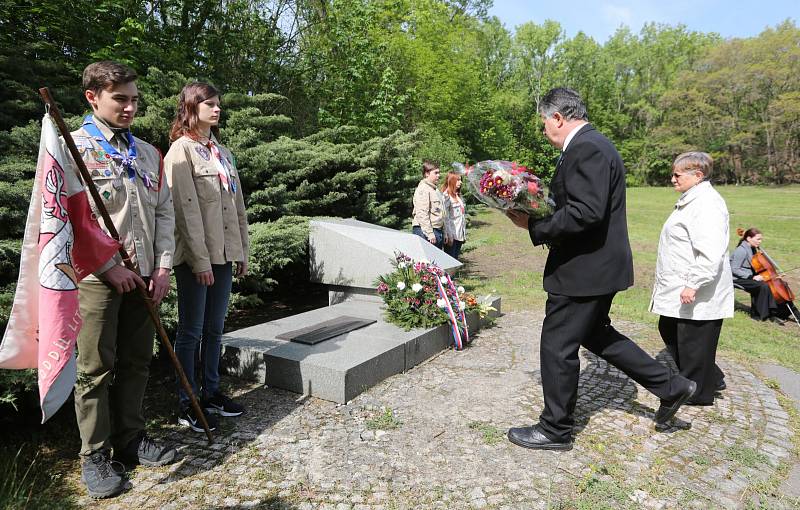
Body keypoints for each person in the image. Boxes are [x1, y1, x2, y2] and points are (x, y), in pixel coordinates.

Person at [505, 87, 697, 451]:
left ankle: (555, 429)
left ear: (558, 118)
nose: (544, 130)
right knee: (596, 335)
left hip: (584, 270)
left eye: (545, 123)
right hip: (597, 267)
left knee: (557, 345)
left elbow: (585, 213)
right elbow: (580, 204)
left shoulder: (587, 147)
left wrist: (534, 226)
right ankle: (671, 387)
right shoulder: (592, 145)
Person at [69, 61, 176, 498]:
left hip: (145, 274)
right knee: (95, 368)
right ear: (93, 97)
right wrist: (105, 266)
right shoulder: (72, 148)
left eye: (134, 99)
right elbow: (67, 220)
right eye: (121, 99)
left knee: (137, 362)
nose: (130, 107)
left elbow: (164, 211)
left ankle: (130, 439)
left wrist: (164, 265)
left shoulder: (149, 153)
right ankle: (93, 454)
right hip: (98, 279)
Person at [164, 82, 249, 433]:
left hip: (224, 254)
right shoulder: (179, 153)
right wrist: (199, 262)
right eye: (209, 104)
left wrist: (241, 250)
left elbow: (237, 206)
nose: (216, 110)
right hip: (196, 259)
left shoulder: (221, 153)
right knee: (191, 331)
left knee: (215, 329)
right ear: (191, 107)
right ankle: (188, 403)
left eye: (218, 104)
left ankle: (212, 393)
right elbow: (183, 213)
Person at [650, 152, 733, 406]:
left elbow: (711, 250)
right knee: (671, 328)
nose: (672, 179)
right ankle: (712, 376)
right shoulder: (693, 200)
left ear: (698, 176)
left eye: (677, 174)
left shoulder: (706, 204)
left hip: (696, 287)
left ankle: (698, 392)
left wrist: (693, 283)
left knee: (693, 339)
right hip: (680, 283)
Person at [730, 228, 781, 322]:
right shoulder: (741, 250)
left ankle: (774, 312)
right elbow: (734, 269)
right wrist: (752, 277)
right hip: (736, 278)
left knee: (769, 283)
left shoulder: (752, 249)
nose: (760, 242)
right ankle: (759, 314)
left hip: (748, 276)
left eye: (761, 239)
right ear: (749, 238)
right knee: (762, 286)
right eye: (758, 239)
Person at [412, 161, 444, 249]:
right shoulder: (423, 189)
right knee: (428, 262)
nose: (438, 175)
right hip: (425, 232)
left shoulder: (433, 190)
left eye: (439, 173)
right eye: (436, 173)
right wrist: (429, 233)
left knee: (436, 262)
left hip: (436, 230)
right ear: (427, 173)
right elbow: (422, 213)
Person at [441, 171, 467, 260]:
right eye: (458, 180)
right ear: (451, 180)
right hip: (452, 236)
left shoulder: (458, 195)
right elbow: (445, 217)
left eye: (461, 180)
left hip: (459, 235)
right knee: (450, 262)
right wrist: (449, 235)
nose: (461, 182)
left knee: (455, 260)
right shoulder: (446, 196)